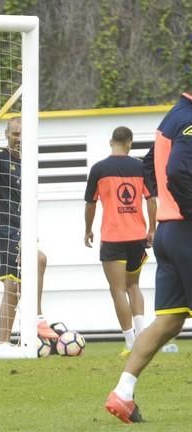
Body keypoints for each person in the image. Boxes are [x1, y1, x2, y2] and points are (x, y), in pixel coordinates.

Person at [105, 91, 192, 424]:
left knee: (169, 320)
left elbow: (148, 164)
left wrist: (164, 202)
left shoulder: (172, 116)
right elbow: (180, 171)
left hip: (169, 232)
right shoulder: (189, 120)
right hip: (185, 229)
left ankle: (122, 393)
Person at [0, 117, 58, 344]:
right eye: (16, 134)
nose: (20, 139)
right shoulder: (0, 156)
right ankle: (37, 318)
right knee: (39, 259)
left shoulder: (30, 164)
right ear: (8, 135)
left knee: (12, 286)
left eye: (23, 134)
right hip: (2, 229)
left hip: (22, 232)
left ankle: (4, 342)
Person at [84, 126, 157, 357]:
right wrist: (152, 229)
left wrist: (87, 230)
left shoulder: (99, 169)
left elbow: (90, 204)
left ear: (110, 142)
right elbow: (151, 199)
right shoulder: (140, 167)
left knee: (117, 289)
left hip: (113, 238)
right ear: (129, 143)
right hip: (137, 237)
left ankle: (130, 343)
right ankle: (143, 339)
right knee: (133, 285)